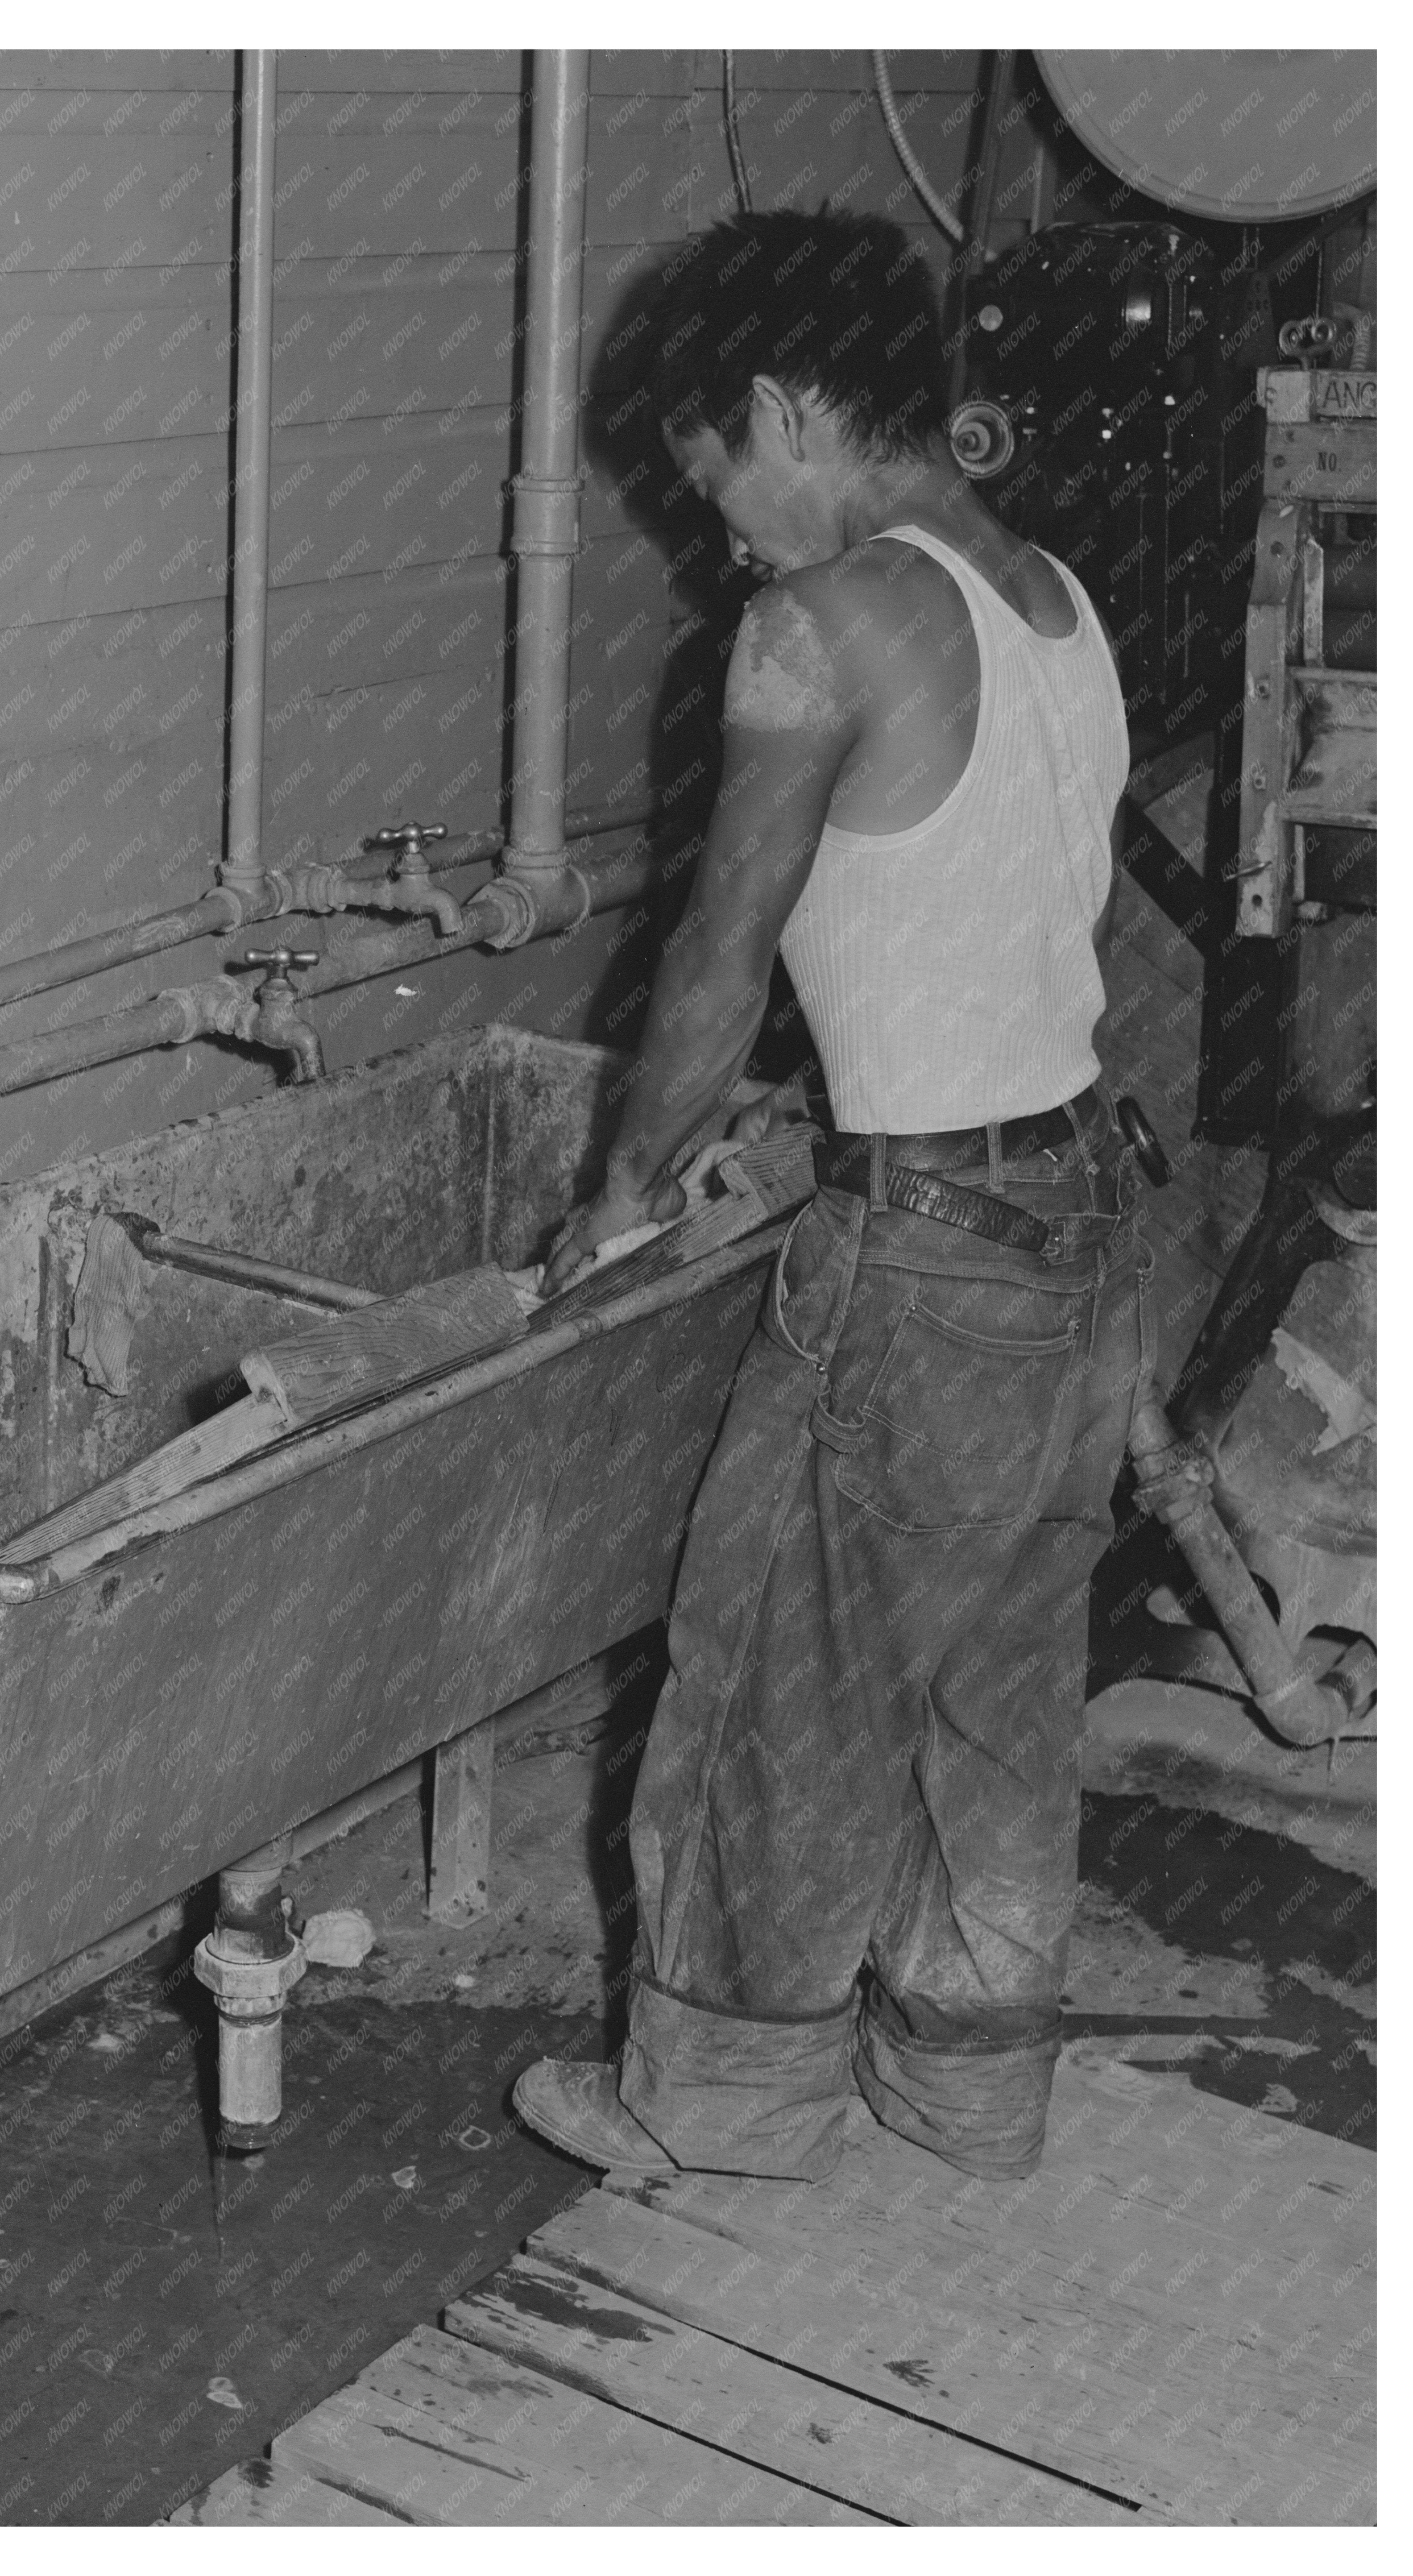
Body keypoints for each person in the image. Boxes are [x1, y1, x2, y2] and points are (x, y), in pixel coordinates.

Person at [513, 209, 1151, 2184]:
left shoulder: (822, 624)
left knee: (782, 1664)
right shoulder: (1049, 594)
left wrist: (620, 1189)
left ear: (789, 408)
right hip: (1084, 1220)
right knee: (1000, 1688)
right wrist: (828, 1099)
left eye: (721, 488)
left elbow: (719, 950)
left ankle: (713, 2104)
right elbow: (991, 915)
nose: (727, 543)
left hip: (931, 1260)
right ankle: (971, 2090)